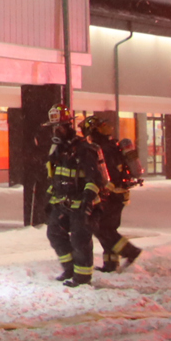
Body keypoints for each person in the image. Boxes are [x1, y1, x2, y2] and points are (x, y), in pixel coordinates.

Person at [45, 106, 102, 287]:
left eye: (60, 127)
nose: (56, 131)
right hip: (62, 202)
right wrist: (49, 198)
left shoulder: (84, 149)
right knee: (54, 233)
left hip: (82, 203)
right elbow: (56, 177)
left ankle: (82, 277)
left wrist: (88, 201)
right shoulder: (58, 150)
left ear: (69, 126)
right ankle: (70, 268)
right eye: (55, 127)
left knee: (80, 239)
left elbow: (95, 178)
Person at [82, 115, 143, 273]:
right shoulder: (111, 145)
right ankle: (110, 265)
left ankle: (130, 251)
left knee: (102, 229)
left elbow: (105, 173)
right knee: (108, 228)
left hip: (112, 195)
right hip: (118, 194)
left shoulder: (102, 148)